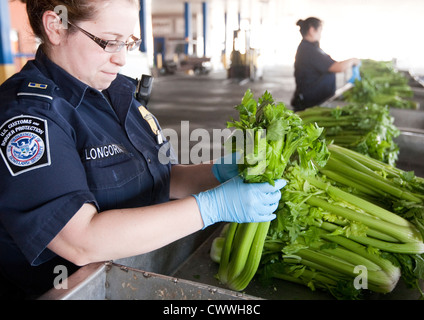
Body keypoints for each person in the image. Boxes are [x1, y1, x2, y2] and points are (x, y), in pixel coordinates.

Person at [0, 0, 285, 299]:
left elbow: (159, 177)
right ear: (56, 26)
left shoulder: (116, 94)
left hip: (131, 274)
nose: (121, 59)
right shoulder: (29, 118)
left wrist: (214, 173)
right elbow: (81, 242)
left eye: (128, 42)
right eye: (110, 42)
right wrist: (211, 208)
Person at [291, 17, 361, 111]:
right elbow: (337, 67)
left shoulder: (309, 48)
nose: (321, 35)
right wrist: (353, 60)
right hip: (310, 103)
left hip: (312, 99)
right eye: (320, 31)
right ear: (312, 30)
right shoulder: (309, 51)